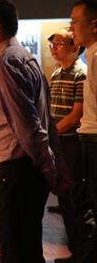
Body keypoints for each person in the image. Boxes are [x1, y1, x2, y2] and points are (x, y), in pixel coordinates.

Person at [0, 0, 66, 263]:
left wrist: (50, 170)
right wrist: (53, 164)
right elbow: (45, 120)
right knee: (26, 248)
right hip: (19, 174)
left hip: (13, 174)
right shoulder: (24, 58)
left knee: (17, 252)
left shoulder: (6, 64)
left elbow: (29, 126)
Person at [60, 0, 97, 263]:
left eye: (75, 22)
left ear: (94, 24)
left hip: (93, 137)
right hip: (88, 136)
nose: (71, 28)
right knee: (85, 199)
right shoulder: (92, 55)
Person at [46, 28, 87, 256]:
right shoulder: (56, 73)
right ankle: (75, 250)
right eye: (53, 44)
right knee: (63, 197)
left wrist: (52, 133)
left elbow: (76, 115)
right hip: (58, 141)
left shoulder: (81, 74)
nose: (54, 48)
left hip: (71, 142)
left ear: (75, 47)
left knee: (74, 199)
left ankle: (80, 251)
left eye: (59, 43)